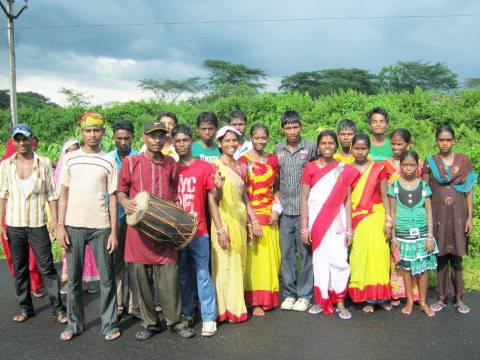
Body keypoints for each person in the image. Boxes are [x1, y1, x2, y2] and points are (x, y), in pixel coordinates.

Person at [118, 120, 195, 340]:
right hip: (138, 232)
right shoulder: (131, 162)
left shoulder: (171, 162)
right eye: (153, 136)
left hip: (165, 230)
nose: (157, 140)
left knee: (169, 278)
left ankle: (176, 321)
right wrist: (125, 202)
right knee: (141, 282)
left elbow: (174, 191)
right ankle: (150, 323)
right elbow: (121, 190)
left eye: (161, 136)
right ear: (144, 137)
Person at [56, 112, 120, 341]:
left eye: (97, 130)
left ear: (103, 133)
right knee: (73, 281)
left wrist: (114, 231)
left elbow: (113, 197)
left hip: (101, 228)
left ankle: (109, 324)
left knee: (107, 279)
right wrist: (59, 225)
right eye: (88, 130)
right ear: (81, 132)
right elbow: (63, 195)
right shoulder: (71, 159)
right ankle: (74, 325)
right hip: (73, 227)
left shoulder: (108, 160)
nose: (93, 134)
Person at [0, 124, 67, 323]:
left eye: (25, 139)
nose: (21, 143)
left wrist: (56, 223)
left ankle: (58, 309)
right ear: (13, 141)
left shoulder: (44, 163)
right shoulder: (5, 165)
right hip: (14, 224)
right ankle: (25, 308)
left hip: (38, 224)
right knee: (20, 268)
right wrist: (1, 224)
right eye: (17, 139)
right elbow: (2, 195)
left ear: (32, 140)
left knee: (47, 267)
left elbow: (52, 195)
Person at [300, 130, 358, 319]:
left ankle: (340, 300)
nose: (327, 146)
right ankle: (321, 299)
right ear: (318, 146)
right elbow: (305, 198)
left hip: (337, 223)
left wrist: (350, 229)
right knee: (320, 260)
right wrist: (304, 226)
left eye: (330, 143)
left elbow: (347, 201)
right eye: (323, 143)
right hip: (317, 222)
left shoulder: (343, 168)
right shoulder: (310, 168)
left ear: (336, 146)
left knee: (339, 260)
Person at [209, 126, 262, 323]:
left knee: (238, 263)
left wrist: (252, 219)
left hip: (239, 221)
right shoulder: (214, 166)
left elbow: (244, 197)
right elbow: (212, 199)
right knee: (223, 265)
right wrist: (221, 228)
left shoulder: (241, 166)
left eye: (234, 141)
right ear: (220, 143)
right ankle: (224, 310)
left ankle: (237, 308)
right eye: (227, 141)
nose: (231, 144)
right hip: (222, 220)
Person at [422, 125, 477, 314]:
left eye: (448, 140)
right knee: (441, 257)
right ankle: (441, 297)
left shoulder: (463, 161)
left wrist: (470, 217)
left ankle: (459, 298)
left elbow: (469, 191)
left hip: (459, 216)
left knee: (457, 257)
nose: (444, 143)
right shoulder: (430, 162)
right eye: (441, 140)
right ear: (436, 141)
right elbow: (425, 191)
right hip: (438, 216)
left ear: (453, 141)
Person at [173, 123, 222, 336]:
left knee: (203, 274)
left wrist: (219, 188)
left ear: (191, 141)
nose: (181, 144)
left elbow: (213, 199)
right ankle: (187, 313)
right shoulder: (171, 169)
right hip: (177, 234)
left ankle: (209, 317)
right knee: (183, 276)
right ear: (173, 144)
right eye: (177, 141)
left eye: (185, 140)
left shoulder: (204, 167)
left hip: (200, 231)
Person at [275, 111, 316, 312]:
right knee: (287, 255)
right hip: (284, 212)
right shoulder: (278, 149)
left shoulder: (310, 147)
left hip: (304, 212)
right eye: (288, 127)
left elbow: (318, 172)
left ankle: (305, 294)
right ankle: (289, 293)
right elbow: (274, 179)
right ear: (283, 129)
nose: (292, 131)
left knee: (306, 253)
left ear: (301, 126)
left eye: (295, 127)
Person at [388, 150, 438, 317]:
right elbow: (393, 213)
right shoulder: (394, 187)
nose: (408, 168)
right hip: (402, 234)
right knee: (407, 269)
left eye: (412, 165)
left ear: (418, 166)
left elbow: (429, 212)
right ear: (400, 166)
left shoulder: (424, 186)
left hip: (422, 234)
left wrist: (430, 236)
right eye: (405, 165)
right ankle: (409, 301)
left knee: (423, 270)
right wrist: (394, 236)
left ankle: (423, 302)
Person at [348, 134, 393, 312]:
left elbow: (385, 195)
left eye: (363, 148)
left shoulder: (378, 168)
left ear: (369, 149)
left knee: (379, 258)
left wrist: (388, 221)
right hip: (357, 218)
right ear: (351, 148)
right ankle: (366, 299)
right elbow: (345, 199)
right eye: (356, 148)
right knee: (360, 257)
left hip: (377, 217)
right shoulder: (346, 169)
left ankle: (380, 297)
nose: (359, 152)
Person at [240, 124, 281, 316]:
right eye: (257, 138)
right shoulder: (243, 161)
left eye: (264, 138)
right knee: (255, 262)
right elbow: (243, 193)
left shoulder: (272, 159)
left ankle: (269, 297)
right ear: (251, 138)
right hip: (252, 215)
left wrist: (276, 209)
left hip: (270, 215)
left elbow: (276, 188)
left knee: (270, 258)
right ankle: (255, 302)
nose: (260, 141)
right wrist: (252, 219)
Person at [1, 138, 45, 299]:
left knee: (27, 255)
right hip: (9, 216)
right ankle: (28, 286)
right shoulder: (5, 164)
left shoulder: (35, 161)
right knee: (19, 255)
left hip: (30, 216)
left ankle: (32, 285)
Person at [56, 139, 100, 296]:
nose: (73, 153)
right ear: (65, 153)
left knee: (88, 253)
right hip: (69, 218)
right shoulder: (60, 171)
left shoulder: (85, 166)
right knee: (69, 253)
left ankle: (87, 283)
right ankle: (70, 283)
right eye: (70, 150)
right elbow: (58, 198)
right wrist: (59, 224)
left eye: (76, 149)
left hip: (88, 217)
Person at [382, 129, 420, 305]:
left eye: (400, 144)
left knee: (413, 253)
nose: (396, 147)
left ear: (408, 144)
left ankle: (414, 292)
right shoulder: (386, 164)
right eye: (393, 144)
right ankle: (397, 293)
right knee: (395, 255)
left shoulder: (415, 164)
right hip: (394, 214)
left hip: (413, 216)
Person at [109, 120, 140, 318]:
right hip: (115, 217)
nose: (123, 142)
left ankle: (135, 306)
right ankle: (119, 305)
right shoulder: (108, 159)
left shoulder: (139, 158)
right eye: (119, 138)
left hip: (136, 217)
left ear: (133, 138)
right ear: (113, 138)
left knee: (136, 262)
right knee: (117, 262)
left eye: (126, 138)